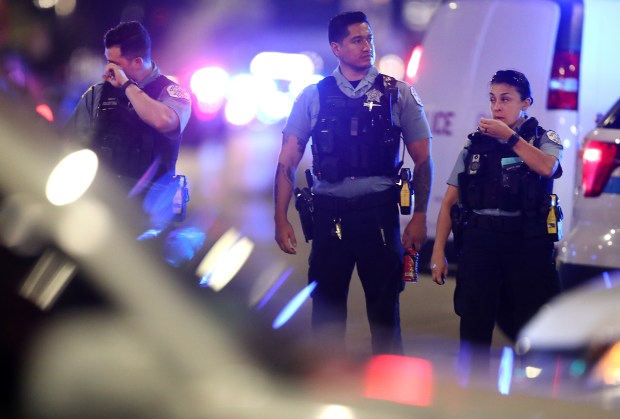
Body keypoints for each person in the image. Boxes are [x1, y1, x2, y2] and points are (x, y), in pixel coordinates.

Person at [274, 11, 433, 356]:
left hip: (379, 214)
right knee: (326, 317)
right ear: (336, 47)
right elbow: (287, 160)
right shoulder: (313, 96)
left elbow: (423, 159)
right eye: (357, 40)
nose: (367, 47)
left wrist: (419, 216)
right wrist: (280, 218)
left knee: (384, 315)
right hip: (328, 214)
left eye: (369, 38)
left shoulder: (399, 94)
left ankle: (390, 397)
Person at [430, 70, 563, 363]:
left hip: (526, 242)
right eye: (492, 99)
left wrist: (512, 138)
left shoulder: (543, 138)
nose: (497, 107)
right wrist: (439, 250)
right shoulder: (476, 144)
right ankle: (471, 395)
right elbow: (451, 200)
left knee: (531, 323)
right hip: (481, 242)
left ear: (526, 102)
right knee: (474, 324)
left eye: (506, 99)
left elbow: (547, 168)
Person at [65, 20, 191, 226]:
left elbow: (163, 121)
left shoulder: (172, 93)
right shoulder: (98, 93)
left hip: (152, 216)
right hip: (102, 208)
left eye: (115, 64)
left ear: (138, 62)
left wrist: (126, 85)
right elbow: (69, 145)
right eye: (107, 61)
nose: (108, 69)